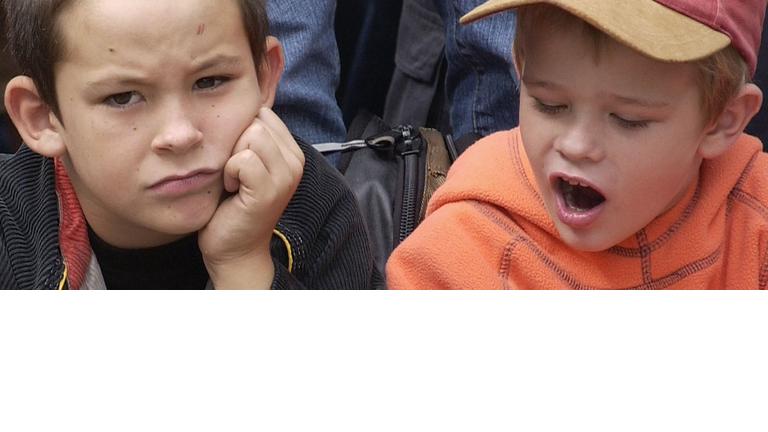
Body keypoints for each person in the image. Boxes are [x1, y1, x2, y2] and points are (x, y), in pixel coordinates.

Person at [0, 0, 384, 290]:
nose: (180, 135)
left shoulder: (314, 208)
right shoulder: (10, 234)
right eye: (123, 97)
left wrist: (243, 264)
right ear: (40, 117)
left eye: (210, 81)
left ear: (264, 76)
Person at [386, 0, 768, 289]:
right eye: (549, 105)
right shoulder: (460, 253)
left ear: (722, 121)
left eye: (627, 119)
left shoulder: (754, 224)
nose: (576, 145)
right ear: (521, 70)